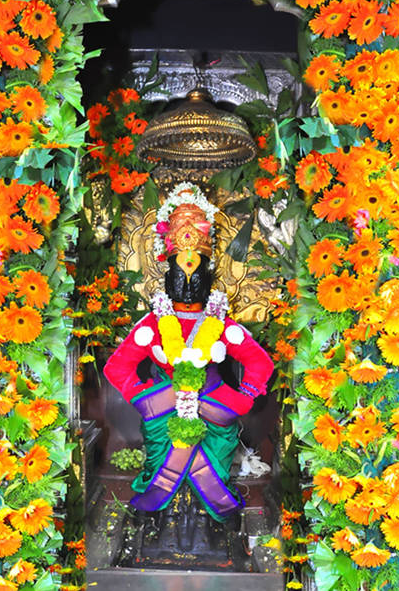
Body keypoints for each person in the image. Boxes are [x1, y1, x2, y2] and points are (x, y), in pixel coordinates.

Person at [104, 183, 274, 522]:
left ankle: (208, 522)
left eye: (195, 270)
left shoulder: (222, 324)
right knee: (161, 477)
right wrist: (147, 398)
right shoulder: (153, 325)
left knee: (210, 485)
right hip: (163, 415)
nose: (187, 278)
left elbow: (260, 363)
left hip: (215, 410)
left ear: (208, 276)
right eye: (180, 270)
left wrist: (243, 397)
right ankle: (160, 519)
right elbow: (116, 368)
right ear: (167, 275)